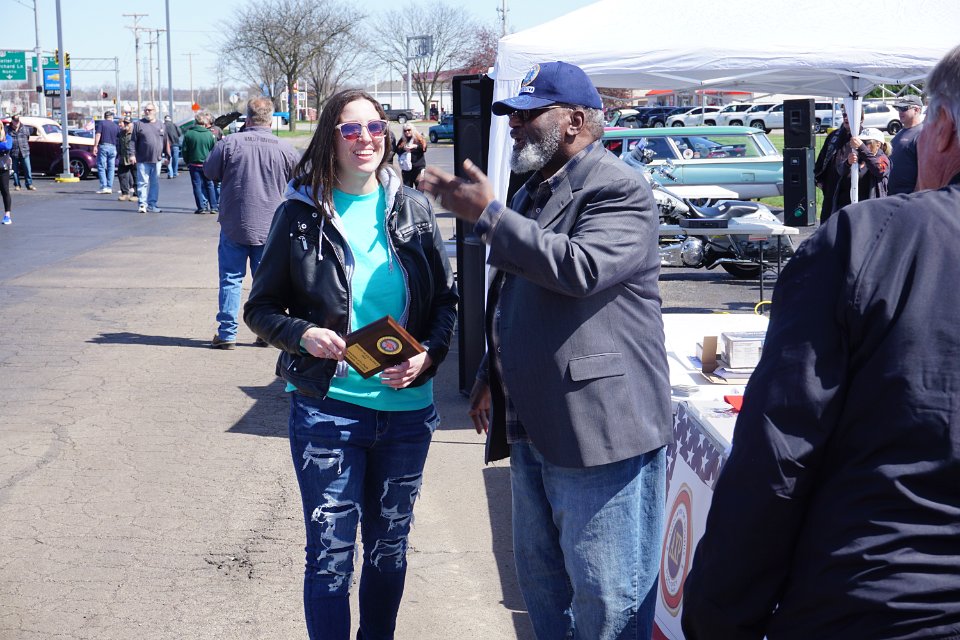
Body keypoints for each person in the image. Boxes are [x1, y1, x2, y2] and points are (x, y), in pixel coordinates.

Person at [681, 43, 960, 640]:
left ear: (943, 130)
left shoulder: (871, 239)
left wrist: (718, 617)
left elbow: (780, 449)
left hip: (880, 603)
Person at [419, 61, 671, 639]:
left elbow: (579, 269)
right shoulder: (534, 188)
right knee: (543, 585)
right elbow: (516, 291)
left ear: (576, 121)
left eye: (529, 114)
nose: (514, 125)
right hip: (534, 419)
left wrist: (489, 215)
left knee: (608, 598)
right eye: (513, 114)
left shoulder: (618, 187)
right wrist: (491, 373)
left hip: (599, 430)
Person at [243, 89, 458, 639]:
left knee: (389, 549)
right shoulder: (299, 215)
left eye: (375, 127)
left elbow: (444, 302)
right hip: (329, 412)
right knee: (330, 554)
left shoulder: (413, 209)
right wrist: (303, 334)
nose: (366, 138)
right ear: (330, 140)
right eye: (351, 129)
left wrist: (429, 357)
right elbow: (260, 309)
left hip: (408, 413)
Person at [203, 97, 298, 349]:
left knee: (231, 278)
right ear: (271, 119)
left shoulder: (230, 144)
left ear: (247, 117)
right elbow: (300, 182)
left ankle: (227, 333)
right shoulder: (286, 149)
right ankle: (266, 331)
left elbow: (209, 171)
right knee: (267, 282)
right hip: (272, 226)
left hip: (235, 222)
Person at [814, 107, 861, 223]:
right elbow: (822, 158)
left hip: (851, 189)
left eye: (850, 116)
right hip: (831, 187)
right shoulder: (834, 135)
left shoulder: (864, 138)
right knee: (827, 222)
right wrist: (819, 179)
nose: (846, 118)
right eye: (844, 115)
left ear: (860, 119)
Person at [131, 103, 166, 213]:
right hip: (142, 159)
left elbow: (165, 141)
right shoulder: (138, 124)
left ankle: (152, 204)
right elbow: (133, 141)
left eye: (150, 110)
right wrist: (132, 155)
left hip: (157, 160)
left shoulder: (161, 124)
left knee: (154, 183)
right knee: (142, 183)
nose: (147, 112)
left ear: (155, 111)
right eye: (146, 110)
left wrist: (167, 156)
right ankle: (142, 204)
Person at [180, 111, 218, 214]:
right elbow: (214, 150)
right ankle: (214, 207)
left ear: (195, 122)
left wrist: (187, 161)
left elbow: (184, 150)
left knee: (197, 186)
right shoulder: (210, 135)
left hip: (194, 164)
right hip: (207, 164)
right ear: (204, 122)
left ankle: (201, 207)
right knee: (209, 185)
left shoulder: (189, 134)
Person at [888, 93, 925, 195]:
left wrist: (915, 196)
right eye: (898, 108)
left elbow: (924, 170)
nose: (900, 112)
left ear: (916, 110)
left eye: (904, 108)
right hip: (893, 194)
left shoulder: (923, 133)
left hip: (908, 196)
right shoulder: (901, 132)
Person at [839, 126, 890, 201]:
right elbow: (840, 171)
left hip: (870, 205)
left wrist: (862, 147)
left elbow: (879, 169)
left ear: (878, 145)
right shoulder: (858, 156)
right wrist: (847, 163)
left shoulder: (883, 159)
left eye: (865, 143)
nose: (861, 145)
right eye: (861, 141)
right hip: (848, 203)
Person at [93, 109, 120, 194]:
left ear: (105, 117)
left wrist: (95, 145)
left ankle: (104, 186)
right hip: (113, 147)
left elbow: (98, 134)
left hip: (104, 146)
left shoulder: (102, 123)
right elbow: (118, 138)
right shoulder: (116, 126)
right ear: (112, 117)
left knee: (101, 166)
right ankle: (109, 187)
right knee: (111, 168)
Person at [393, 123, 427, 188]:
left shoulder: (418, 138)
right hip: (406, 168)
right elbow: (397, 150)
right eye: (405, 131)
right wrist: (404, 148)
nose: (407, 132)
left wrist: (415, 146)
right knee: (407, 188)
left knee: (419, 186)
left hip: (418, 167)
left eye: (409, 130)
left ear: (412, 130)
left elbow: (424, 148)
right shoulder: (403, 140)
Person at [7, 115, 35, 191]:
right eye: (15, 121)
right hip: (13, 152)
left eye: (17, 121)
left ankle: (29, 184)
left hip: (24, 151)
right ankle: (17, 185)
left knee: (27, 169)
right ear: (12, 121)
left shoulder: (25, 128)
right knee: (15, 170)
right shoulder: (8, 129)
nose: (16, 122)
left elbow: (28, 137)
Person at [116, 117, 137, 202]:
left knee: (136, 176)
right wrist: (118, 154)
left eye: (127, 123)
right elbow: (119, 144)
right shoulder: (121, 133)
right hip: (123, 157)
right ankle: (125, 193)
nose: (125, 124)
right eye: (124, 123)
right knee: (122, 175)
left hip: (134, 157)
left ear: (132, 124)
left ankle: (137, 194)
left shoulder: (135, 133)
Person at [0, 122, 13, 224]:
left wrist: (2, 144)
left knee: (5, 190)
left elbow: (7, 146)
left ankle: (7, 215)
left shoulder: (8, 137)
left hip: (3, 168)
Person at [163, 114, 182, 179]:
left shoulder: (163, 125)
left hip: (167, 145)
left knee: (168, 158)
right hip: (175, 144)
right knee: (175, 159)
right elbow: (180, 133)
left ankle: (170, 173)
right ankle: (175, 172)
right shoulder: (174, 125)